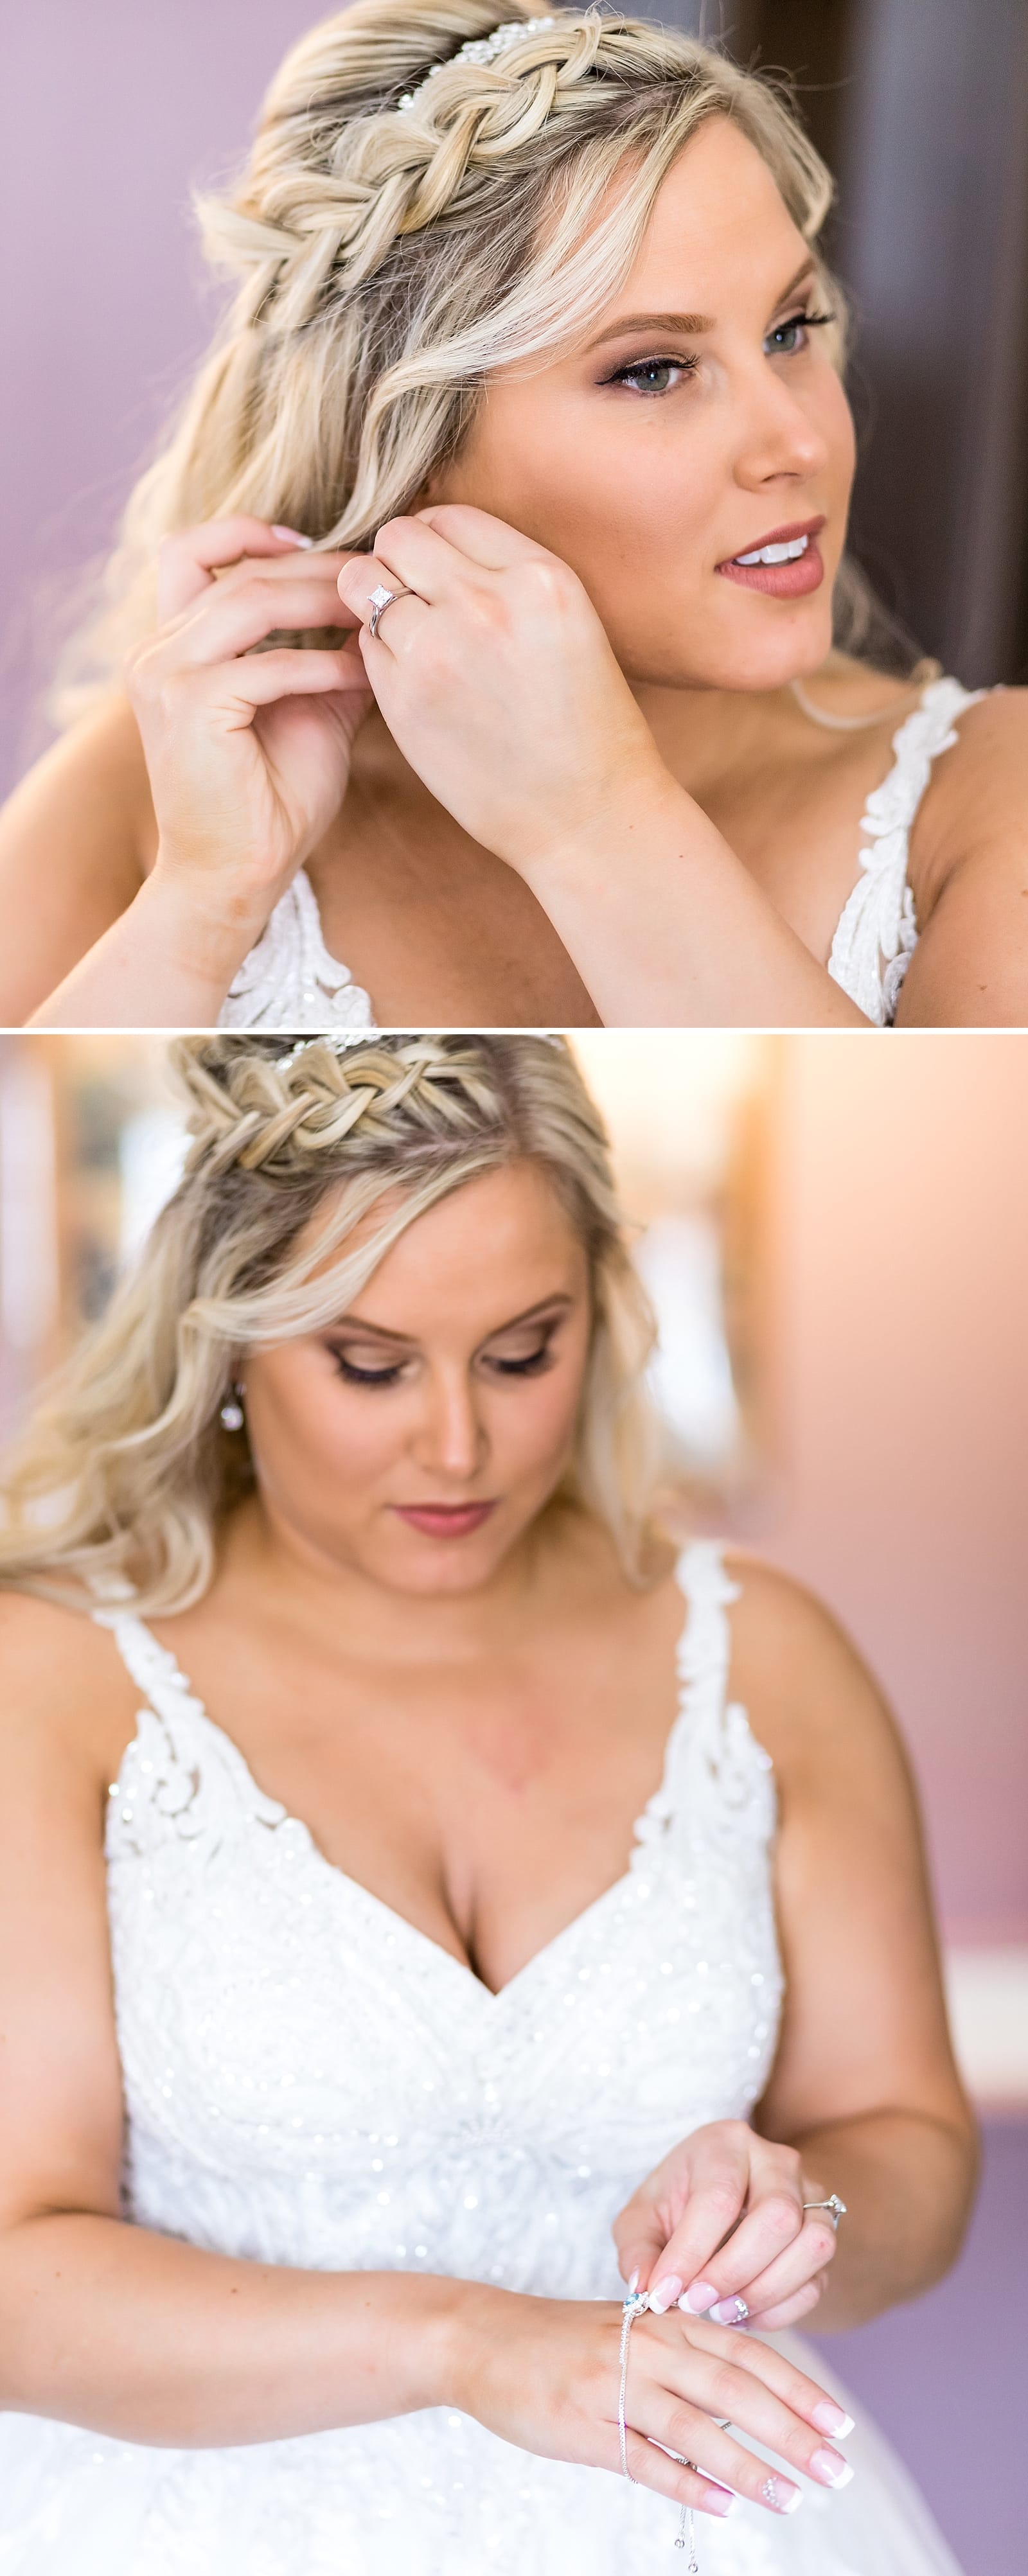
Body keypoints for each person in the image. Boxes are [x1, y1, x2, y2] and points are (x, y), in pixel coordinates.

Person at [0, 1030, 975, 2573]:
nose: (456, 1443)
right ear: (227, 1336)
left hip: (701, 2525)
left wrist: (805, 2214)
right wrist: (470, 2343)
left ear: (602, 1308)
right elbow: (13, 2276)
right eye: (369, 1364)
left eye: (523, 1351)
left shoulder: (765, 1658)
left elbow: (910, 2151)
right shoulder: (49, 1682)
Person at [1, 4, 1025, 1032]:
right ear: (409, 456)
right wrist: (205, 901)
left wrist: (597, 820)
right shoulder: (164, 791)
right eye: (655, 370)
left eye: (791, 328)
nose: (800, 442)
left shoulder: (990, 797)